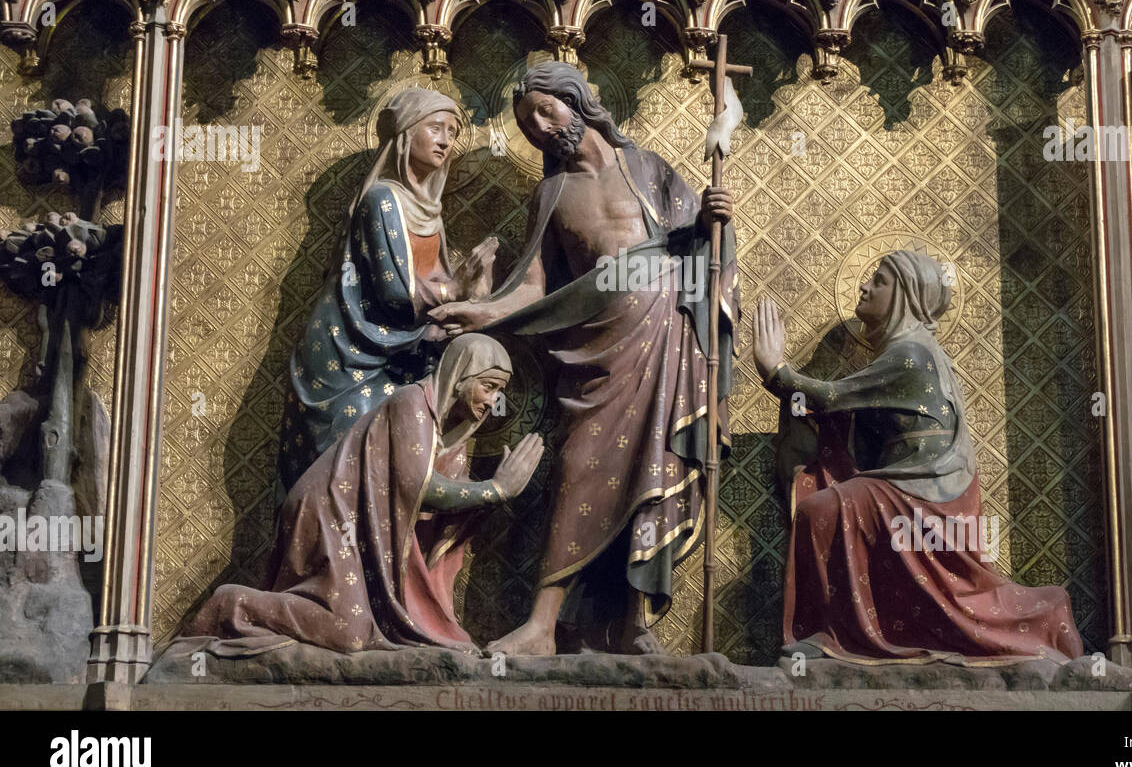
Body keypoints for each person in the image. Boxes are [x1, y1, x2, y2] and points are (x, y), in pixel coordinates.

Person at [431, 62, 739, 655]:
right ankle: (543, 625)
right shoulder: (551, 195)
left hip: (667, 338)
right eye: (528, 125)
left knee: (656, 469)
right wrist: (480, 313)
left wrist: (709, 222)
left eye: (547, 111)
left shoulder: (646, 168)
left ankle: (634, 625)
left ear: (577, 102)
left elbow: (703, 255)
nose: (542, 129)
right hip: (598, 352)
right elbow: (535, 287)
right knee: (579, 468)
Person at [752, 249, 1083, 664]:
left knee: (820, 510)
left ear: (905, 294)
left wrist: (775, 370)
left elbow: (832, 397)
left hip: (922, 492)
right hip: (911, 486)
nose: (865, 286)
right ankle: (852, 632)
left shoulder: (911, 353)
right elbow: (855, 420)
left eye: (879, 280)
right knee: (828, 508)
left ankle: (834, 637)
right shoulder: (913, 352)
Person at [184, 334, 544, 655]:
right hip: (329, 511)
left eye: (499, 392)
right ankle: (231, 604)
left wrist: (488, 495)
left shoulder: (451, 436)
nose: (493, 401)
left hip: (357, 528)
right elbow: (420, 489)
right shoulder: (413, 404)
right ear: (461, 375)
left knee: (356, 630)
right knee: (350, 631)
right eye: (489, 386)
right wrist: (494, 489)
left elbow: (436, 517)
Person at [279, 88, 497, 487]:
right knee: (352, 473)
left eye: (453, 132)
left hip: (404, 357)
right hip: (351, 358)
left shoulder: (431, 211)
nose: (446, 141)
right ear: (406, 133)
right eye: (435, 128)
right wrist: (457, 289)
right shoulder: (382, 200)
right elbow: (395, 297)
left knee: (401, 470)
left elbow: (439, 289)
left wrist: (475, 292)